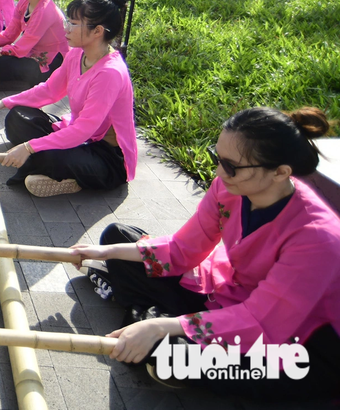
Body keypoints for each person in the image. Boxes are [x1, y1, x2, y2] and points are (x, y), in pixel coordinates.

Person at [70, 107, 340, 401]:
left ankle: (150, 325)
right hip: (229, 297)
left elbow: (261, 321)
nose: (219, 172)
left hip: (295, 344)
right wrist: (107, 251)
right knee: (116, 236)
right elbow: (182, 250)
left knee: (172, 355)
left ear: (280, 172)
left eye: (232, 166)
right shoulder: (230, 187)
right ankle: (147, 323)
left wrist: (162, 326)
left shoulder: (317, 237)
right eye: (217, 158)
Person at [0, 0, 137, 197]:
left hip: (106, 157)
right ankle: (51, 169)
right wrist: (6, 102)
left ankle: (66, 175)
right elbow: (49, 90)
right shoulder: (76, 53)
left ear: (97, 31)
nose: (66, 28)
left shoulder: (109, 73)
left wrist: (30, 147)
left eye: (74, 24)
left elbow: (84, 130)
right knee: (16, 117)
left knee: (47, 155)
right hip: (77, 134)